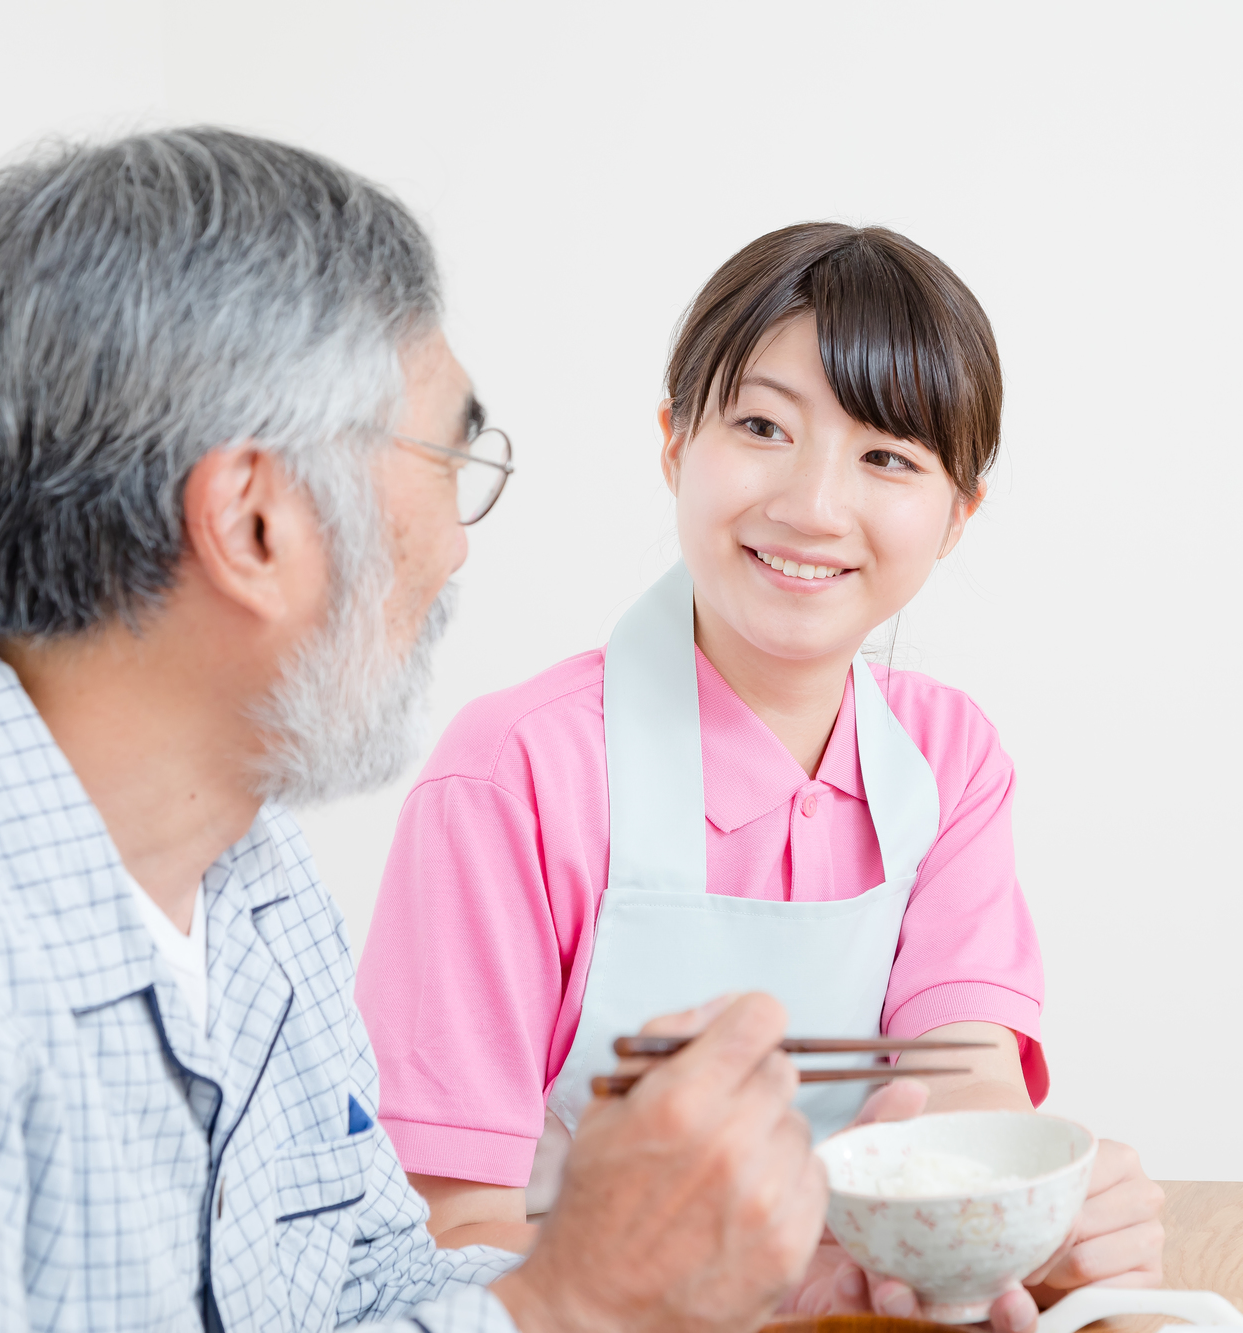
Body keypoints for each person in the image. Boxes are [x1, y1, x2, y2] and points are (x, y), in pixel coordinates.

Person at [0, 128, 828, 1333]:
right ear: (251, 527)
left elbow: (370, 1287)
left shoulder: (241, 864)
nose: (457, 543)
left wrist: (734, 1269)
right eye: (445, 457)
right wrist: (575, 1307)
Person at [357, 224, 1167, 1329]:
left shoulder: (946, 759)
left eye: (887, 456)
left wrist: (1041, 1214)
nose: (811, 504)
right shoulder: (515, 774)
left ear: (955, 515)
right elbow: (445, 1225)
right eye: (760, 426)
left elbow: (964, 1079)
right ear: (672, 442)